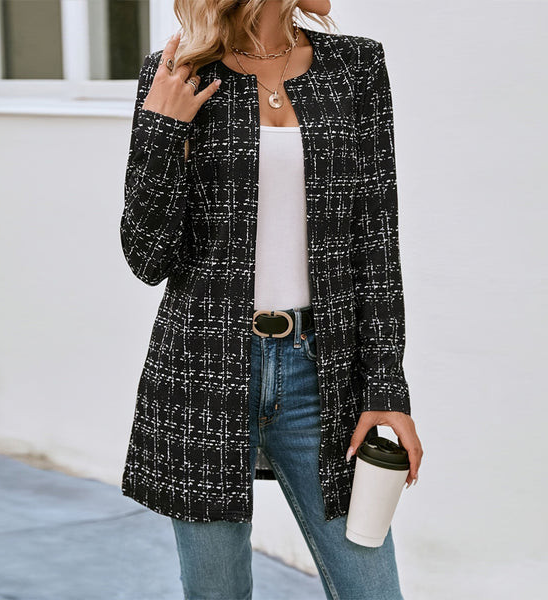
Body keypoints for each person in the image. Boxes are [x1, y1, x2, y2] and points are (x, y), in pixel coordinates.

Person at [120, 0, 424, 598]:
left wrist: (387, 386)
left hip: (323, 374)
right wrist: (163, 128)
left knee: (371, 587)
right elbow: (147, 258)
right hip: (204, 370)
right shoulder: (178, 72)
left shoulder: (356, 66)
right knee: (217, 591)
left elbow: (375, 241)